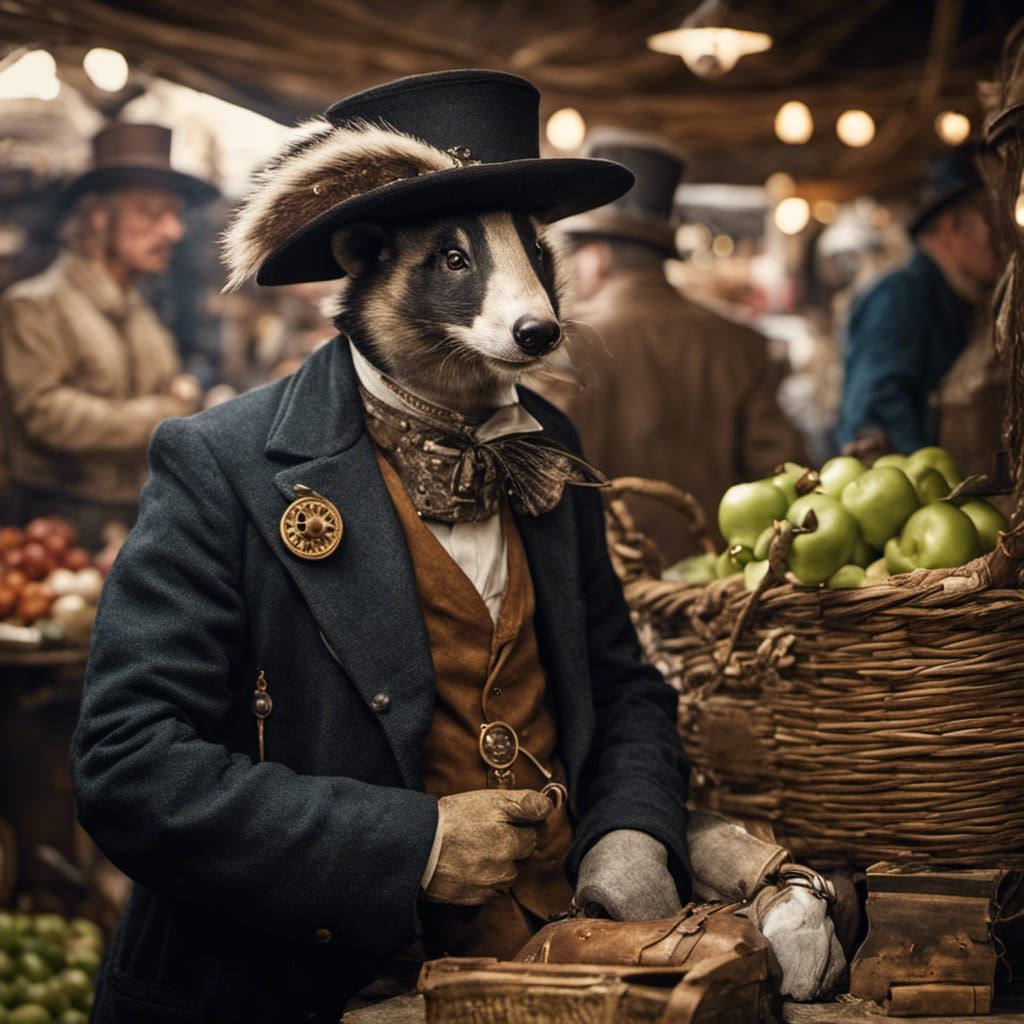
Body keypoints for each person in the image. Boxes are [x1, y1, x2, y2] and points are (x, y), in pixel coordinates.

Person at [71, 71, 691, 1024]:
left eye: (530, 250)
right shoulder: (221, 463)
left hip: (555, 964)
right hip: (312, 984)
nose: (531, 304)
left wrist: (632, 831)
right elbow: (129, 765)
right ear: (365, 259)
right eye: (455, 258)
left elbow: (621, 684)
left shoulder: (549, 443)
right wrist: (412, 847)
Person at [551, 130, 806, 563]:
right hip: (719, 579)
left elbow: (553, 490)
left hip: (611, 583)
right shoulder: (741, 344)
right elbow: (785, 474)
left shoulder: (566, 346)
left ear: (597, 256)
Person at [0, 123, 217, 546]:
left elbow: (173, 385)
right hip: (59, 532)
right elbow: (46, 415)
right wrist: (167, 413)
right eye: (151, 213)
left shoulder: (141, 311)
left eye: (174, 215)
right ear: (99, 219)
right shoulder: (34, 305)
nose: (173, 231)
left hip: (138, 518)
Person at [836, 143, 1000, 455]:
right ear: (952, 229)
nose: (1002, 239)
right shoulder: (901, 298)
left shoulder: (957, 298)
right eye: (992, 222)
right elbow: (874, 412)